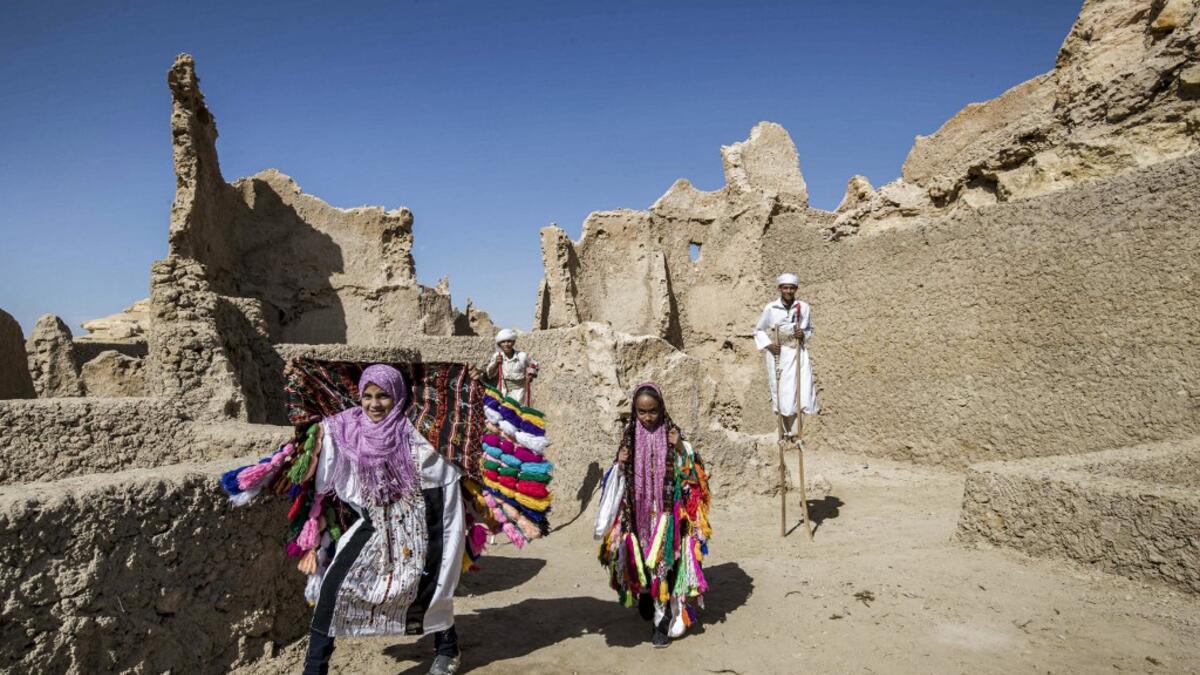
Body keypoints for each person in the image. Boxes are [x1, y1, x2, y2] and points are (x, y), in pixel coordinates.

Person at [301, 364, 465, 675]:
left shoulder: (418, 434)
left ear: (398, 397)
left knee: (431, 589)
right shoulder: (345, 429)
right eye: (368, 396)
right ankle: (314, 669)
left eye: (384, 396)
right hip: (372, 525)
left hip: (419, 530)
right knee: (333, 589)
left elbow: (444, 477)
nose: (374, 404)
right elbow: (320, 453)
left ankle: (447, 648)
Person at [597, 383, 712, 648]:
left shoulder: (673, 435)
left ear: (661, 408)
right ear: (634, 411)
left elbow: (694, 475)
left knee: (663, 563)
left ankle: (662, 620)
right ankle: (647, 594)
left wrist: (680, 448)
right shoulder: (629, 438)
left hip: (666, 516)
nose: (647, 417)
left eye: (653, 411)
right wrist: (621, 462)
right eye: (642, 411)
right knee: (641, 557)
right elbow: (617, 479)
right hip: (636, 514)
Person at [753, 273, 818, 436]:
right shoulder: (771, 308)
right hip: (779, 355)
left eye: (792, 288)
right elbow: (759, 330)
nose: (788, 291)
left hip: (797, 353)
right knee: (783, 392)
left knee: (801, 390)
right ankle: (785, 432)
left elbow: (809, 329)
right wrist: (769, 346)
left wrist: (803, 335)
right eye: (785, 288)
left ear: (796, 289)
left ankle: (798, 432)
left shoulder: (803, 307)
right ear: (780, 289)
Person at [484, 328, 539, 406]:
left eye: (509, 341)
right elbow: (489, 374)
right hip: (503, 391)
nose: (506, 344)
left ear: (513, 342)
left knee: (518, 411)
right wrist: (496, 363)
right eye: (503, 342)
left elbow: (535, 365)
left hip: (519, 392)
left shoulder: (522, 356)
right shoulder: (497, 356)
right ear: (499, 344)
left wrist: (531, 375)